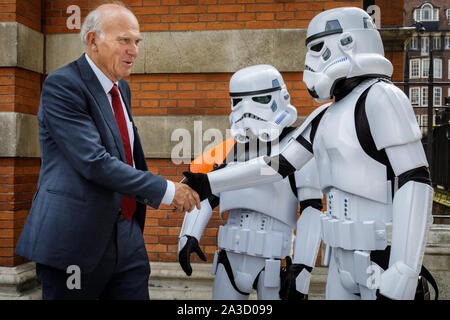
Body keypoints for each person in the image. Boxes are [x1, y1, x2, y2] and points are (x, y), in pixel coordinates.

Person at [183, 7, 435, 300]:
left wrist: (404, 267)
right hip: (340, 260)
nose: (309, 62)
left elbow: (415, 180)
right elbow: (275, 166)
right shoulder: (322, 116)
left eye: (317, 48)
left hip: (380, 257)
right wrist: (209, 183)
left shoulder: (382, 97)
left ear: (348, 42)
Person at [15, 2, 200, 300]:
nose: (134, 50)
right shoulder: (62, 85)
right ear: (92, 41)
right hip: (74, 242)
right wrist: (167, 191)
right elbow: (94, 162)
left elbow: (127, 157)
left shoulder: (120, 88)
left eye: (137, 42)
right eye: (124, 40)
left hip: (127, 238)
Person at [177, 65, 324, 299]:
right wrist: (188, 235)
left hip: (273, 263)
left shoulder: (295, 150)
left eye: (260, 99)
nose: (246, 110)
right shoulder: (229, 152)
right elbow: (206, 195)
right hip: (230, 259)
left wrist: (303, 267)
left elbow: (312, 209)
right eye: (238, 102)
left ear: (281, 98)